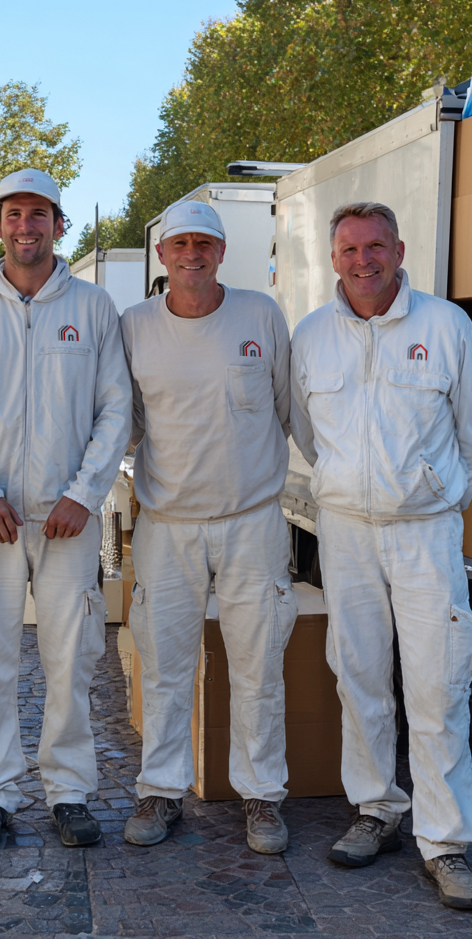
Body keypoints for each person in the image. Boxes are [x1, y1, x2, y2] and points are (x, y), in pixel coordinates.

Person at [290, 202, 472, 911]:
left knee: (438, 687)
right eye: (349, 249)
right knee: (359, 675)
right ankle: (375, 809)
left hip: (424, 534)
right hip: (345, 531)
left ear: (400, 249)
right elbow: (308, 432)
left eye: (375, 246)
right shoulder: (312, 335)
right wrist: (349, 486)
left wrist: (433, 498)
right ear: (333, 258)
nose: (364, 261)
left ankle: (445, 842)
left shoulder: (444, 326)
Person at [0, 169, 132, 850]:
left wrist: (85, 493)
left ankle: (70, 791)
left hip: (65, 520)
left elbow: (115, 410)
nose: (27, 226)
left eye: (39, 214)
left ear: (58, 224)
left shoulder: (94, 307)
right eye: (14, 214)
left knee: (71, 656)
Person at [119, 199, 294, 852]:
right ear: (162, 255)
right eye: (180, 244)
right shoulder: (133, 326)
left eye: (205, 244)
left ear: (222, 252)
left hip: (252, 521)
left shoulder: (260, 315)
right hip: (167, 523)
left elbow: (286, 407)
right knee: (164, 665)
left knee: (259, 664)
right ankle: (161, 791)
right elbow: (123, 420)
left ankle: (262, 797)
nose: (192, 255)